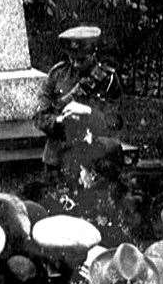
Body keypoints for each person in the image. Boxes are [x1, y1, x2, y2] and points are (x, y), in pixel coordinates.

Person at [34, 24, 123, 175]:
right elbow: (39, 117)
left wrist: (88, 112)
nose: (75, 64)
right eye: (72, 58)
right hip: (58, 157)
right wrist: (58, 122)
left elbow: (114, 121)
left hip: (94, 156)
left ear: (93, 54)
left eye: (81, 60)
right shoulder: (57, 74)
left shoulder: (107, 79)